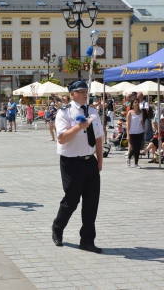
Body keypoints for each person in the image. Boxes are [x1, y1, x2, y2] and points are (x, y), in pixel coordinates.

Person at [52, 80, 104, 254]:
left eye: (85, 91)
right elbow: (61, 139)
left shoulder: (93, 111)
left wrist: (99, 161)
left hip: (89, 161)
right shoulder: (64, 113)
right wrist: (79, 127)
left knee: (91, 203)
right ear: (72, 94)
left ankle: (87, 240)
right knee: (71, 201)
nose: (84, 94)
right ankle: (58, 228)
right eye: (80, 91)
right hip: (71, 162)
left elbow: (98, 138)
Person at [126, 98, 144, 169]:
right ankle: (129, 157)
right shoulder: (130, 112)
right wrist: (128, 134)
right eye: (135, 102)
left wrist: (144, 131)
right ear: (133, 104)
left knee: (138, 148)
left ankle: (136, 163)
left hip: (139, 132)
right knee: (135, 148)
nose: (136, 103)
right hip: (132, 132)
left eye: (137, 102)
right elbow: (128, 124)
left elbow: (142, 123)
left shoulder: (141, 112)